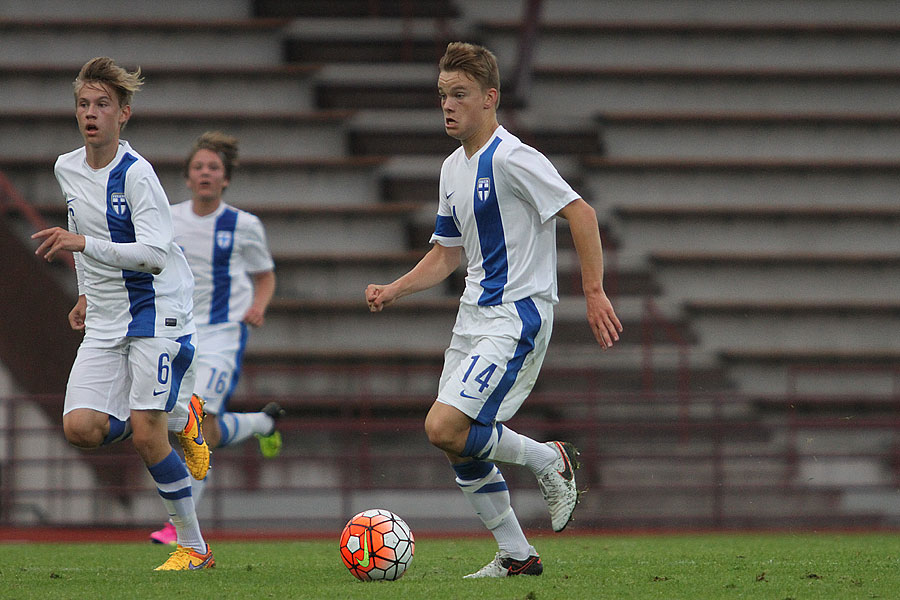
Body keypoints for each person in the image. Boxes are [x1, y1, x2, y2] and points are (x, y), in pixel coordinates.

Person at [365, 42, 622, 578]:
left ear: (490, 99)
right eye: (442, 95)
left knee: (444, 426)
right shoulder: (451, 169)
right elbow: (445, 254)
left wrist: (594, 291)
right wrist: (395, 288)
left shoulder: (513, 157)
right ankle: (517, 555)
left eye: (459, 94)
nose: (448, 105)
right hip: (472, 317)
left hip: (516, 315)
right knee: (457, 444)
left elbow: (582, 213)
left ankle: (552, 459)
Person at [32, 56, 214, 570]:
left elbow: (155, 254)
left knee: (144, 431)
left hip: (157, 310)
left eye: (102, 105)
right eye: (84, 104)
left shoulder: (137, 175)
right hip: (107, 314)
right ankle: (182, 415)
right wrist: (87, 293)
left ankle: (193, 548)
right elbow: (80, 227)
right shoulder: (66, 167)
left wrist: (84, 244)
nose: (91, 114)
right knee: (81, 428)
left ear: (124, 114)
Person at [149, 131, 281, 546]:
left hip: (224, 334)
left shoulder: (244, 226)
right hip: (178, 333)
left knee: (197, 422)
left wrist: (258, 305)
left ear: (225, 179)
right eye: (198, 167)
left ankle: (179, 526)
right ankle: (263, 422)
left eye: (214, 168)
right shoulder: (167, 218)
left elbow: (264, 276)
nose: (205, 173)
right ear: (188, 178)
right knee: (202, 429)